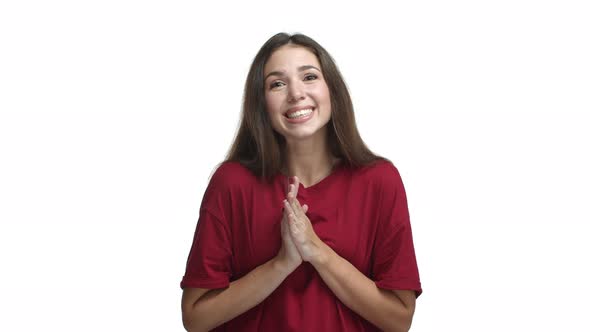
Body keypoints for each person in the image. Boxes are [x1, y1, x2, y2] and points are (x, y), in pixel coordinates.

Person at [180, 32, 422, 331]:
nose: (296, 93)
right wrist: (281, 264)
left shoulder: (380, 181)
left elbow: (399, 319)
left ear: (331, 89)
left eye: (309, 77)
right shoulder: (232, 183)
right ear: (261, 103)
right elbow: (195, 317)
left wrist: (317, 251)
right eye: (277, 83)